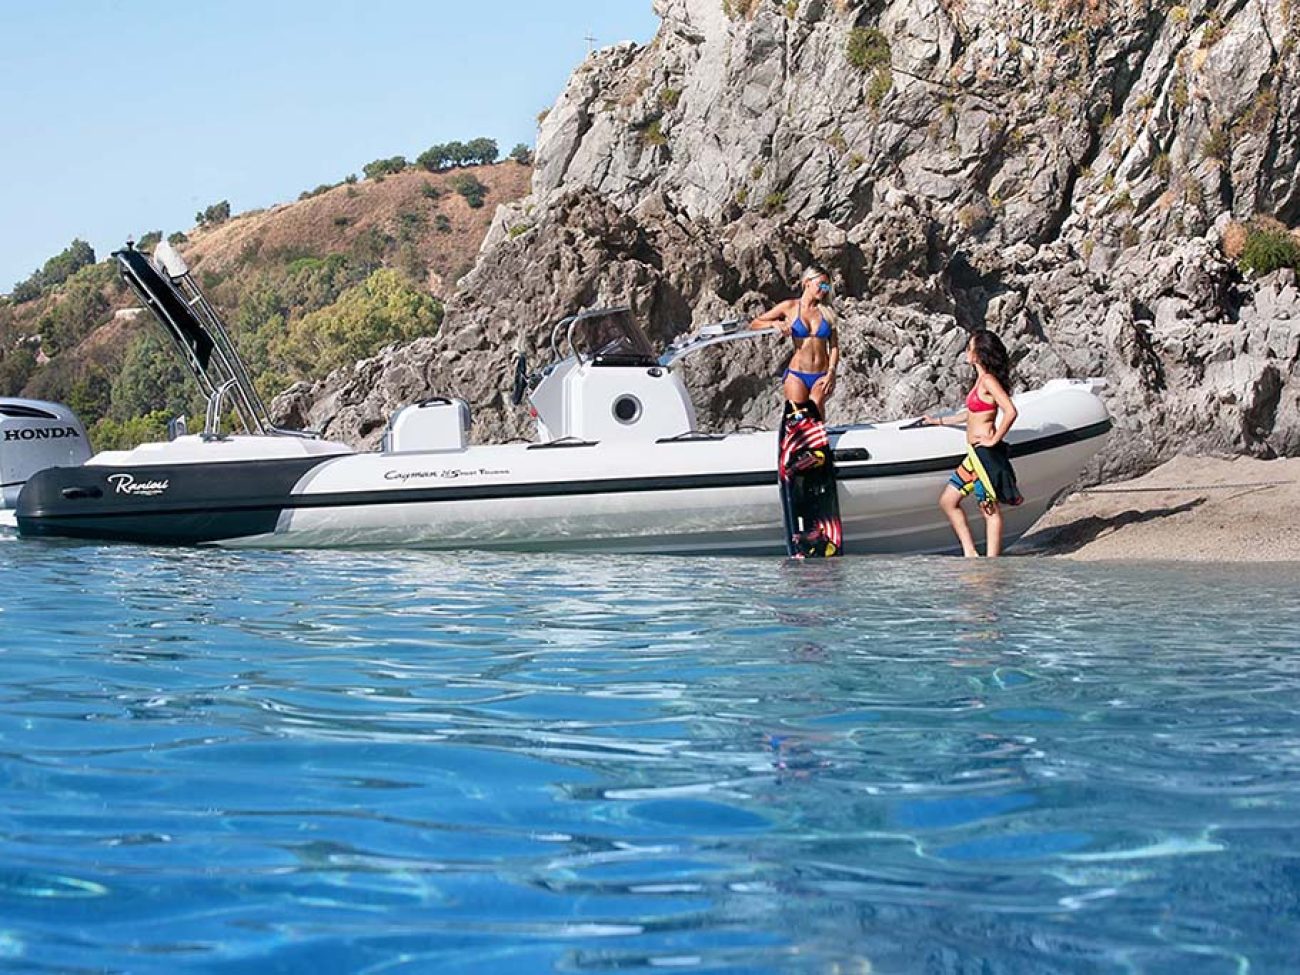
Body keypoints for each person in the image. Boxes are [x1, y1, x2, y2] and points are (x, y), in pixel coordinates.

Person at [923, 329, 1022, 558]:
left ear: (979, 353)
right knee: (948, 501)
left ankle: (992, 562)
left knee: (989, 510)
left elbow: (1010, 411)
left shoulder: (988, 381)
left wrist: (994, 439)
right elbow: (971, 414)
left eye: (969, 347)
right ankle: (971, 553)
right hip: (974, 456)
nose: (966, 351)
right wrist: (939, 421)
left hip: (985, 456)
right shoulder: (980, 380)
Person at [749, 267, 840, 415]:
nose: (824, 290)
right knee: (798, 418)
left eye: (826, 286)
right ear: (807, 282)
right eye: (821, 284)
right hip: (797, 374)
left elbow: (834, 346)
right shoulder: (790, 307)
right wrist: (773, 324)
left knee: (815, 406)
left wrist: (832, 372)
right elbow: (754, 324)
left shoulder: (827, 311)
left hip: (822, 374)